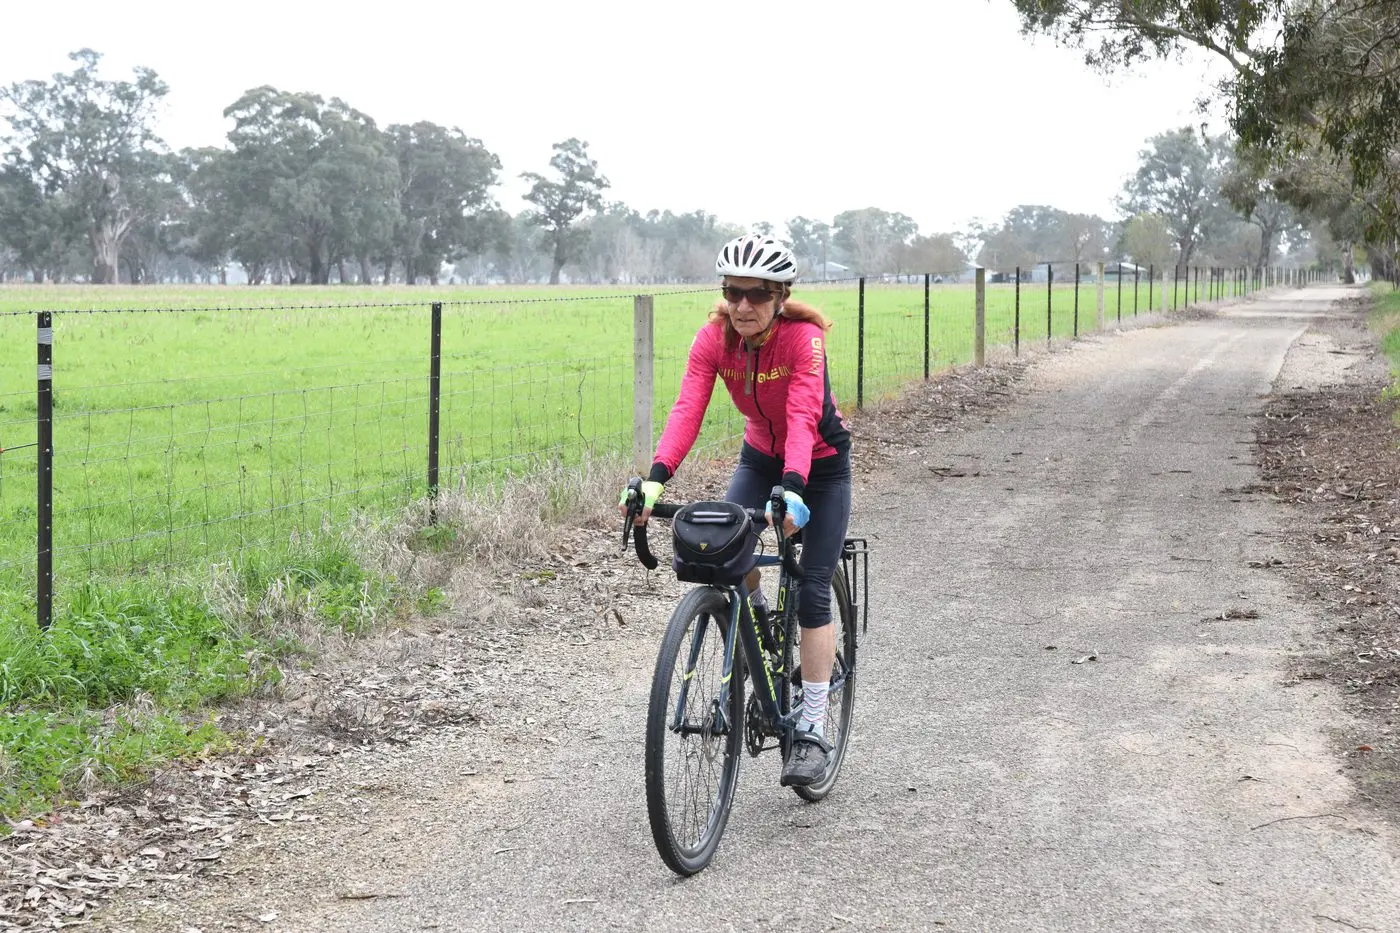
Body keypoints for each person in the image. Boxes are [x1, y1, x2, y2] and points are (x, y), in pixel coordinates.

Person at [621, 232, 852, 787]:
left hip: (818, 467)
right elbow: (687, 409)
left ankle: (814, 728)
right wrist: (655, 482)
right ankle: (756, 622)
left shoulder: (804, 342)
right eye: (732, 293)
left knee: (814, 585)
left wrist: (794, 488)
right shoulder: (714, 339)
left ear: (779, 297)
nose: (742, 306)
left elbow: (801, 417)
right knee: (723, 544)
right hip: (758, 457)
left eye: (755, 294)